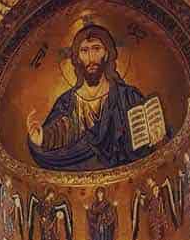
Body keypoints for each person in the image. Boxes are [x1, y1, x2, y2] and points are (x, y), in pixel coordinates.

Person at [27, 23, 152, 170]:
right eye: (84, 51)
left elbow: (144, 142)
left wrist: (154, 138)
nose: (91, 58)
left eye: (96, 49)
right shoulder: (67, 102)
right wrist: (39, 138)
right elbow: (58, 133)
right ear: (77, 58)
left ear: (107, 53)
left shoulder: (128, 96)